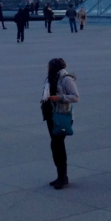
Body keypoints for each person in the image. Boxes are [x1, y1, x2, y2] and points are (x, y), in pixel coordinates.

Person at [41, 57, 79, 189]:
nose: (47, 68)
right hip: (51, 115)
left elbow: (75, 96)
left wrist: (59, 98)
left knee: (58, 145)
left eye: (49, 66)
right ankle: (61, 176)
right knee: (55, 145)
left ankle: (62, 177)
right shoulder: (51, 78)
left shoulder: (66, 79)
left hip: (62, 116)